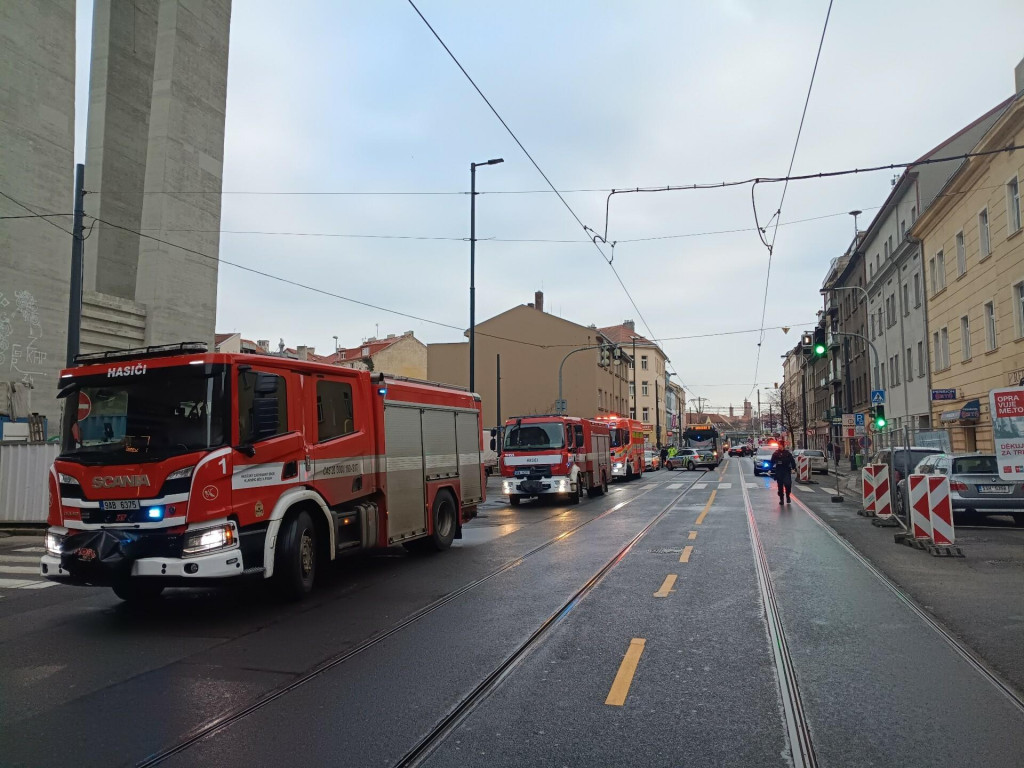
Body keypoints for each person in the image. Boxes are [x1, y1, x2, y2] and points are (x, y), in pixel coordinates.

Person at [770, 440, 797, 504]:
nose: (780, 447)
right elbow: (772, 462)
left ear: (783, 446)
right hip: (779, 471)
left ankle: (788, 496)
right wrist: (770, 469)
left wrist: (793, 468)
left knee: (788, 485)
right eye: (779, 445)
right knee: (780, 486)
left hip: (786, 471)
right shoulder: (775, 453)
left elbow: (792, 461)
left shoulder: (787, 453)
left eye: (781, 445)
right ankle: (781, 499)